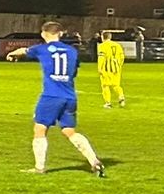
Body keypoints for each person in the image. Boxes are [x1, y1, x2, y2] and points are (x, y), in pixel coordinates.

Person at [7, 22, 105, 177]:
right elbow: (74, 71)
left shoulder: (42, 49)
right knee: (69, 131)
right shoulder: (72, 51)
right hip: (70, 96)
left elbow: (23, 51)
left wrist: (12, 54)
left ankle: (39, 168)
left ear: (43, 34)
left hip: (51, 96)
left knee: (40, 129)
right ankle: (94, 161)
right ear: (60, 33)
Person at [96, 29, 127, 108]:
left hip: (106, 69)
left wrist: (100, 68)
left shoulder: (102, 46)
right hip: (116, 68)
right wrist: (119, 65)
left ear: (103, 37)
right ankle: (121, 97)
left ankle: (108, 103)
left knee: (105, 86)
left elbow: (101, 58)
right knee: (116, 85)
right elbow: (122, 57)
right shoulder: (117, 45)